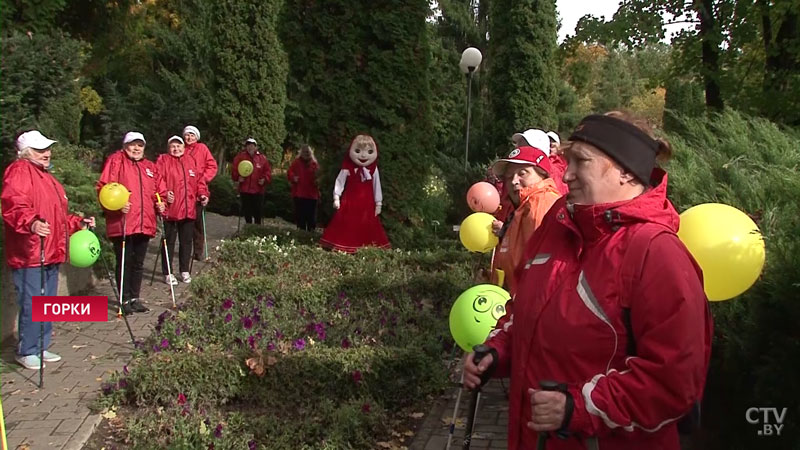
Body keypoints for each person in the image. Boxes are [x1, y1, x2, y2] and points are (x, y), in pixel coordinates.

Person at [463, 112, 713, 450]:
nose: (566, 174)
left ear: (626, 170)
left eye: (581, 162)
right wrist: (497, 351)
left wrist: (577, 407)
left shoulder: (657, 252)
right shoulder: (558, 222)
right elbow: (523, 309)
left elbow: (674, 381)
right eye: (568, 161)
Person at [2, 130, 95, 369]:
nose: (46, 153)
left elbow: (59, 218)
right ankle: (26, 350)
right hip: (30, 251)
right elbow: (14, 204)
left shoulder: (48, 177)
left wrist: (79, 223)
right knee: (33, 301)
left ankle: (41, 346)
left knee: (47, 301)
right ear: (26, 152)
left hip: (51, 249)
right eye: (40, 150)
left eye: (47, 149)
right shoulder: (19, 171)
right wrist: (31, 222)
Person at [97, 132, 165, 315]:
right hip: (124, 221)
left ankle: (135, 297)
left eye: (140, 145)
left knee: (138, 263)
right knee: (124, 261)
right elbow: (104, 188)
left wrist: (162, 203)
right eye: (132, 145)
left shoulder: (149, 167)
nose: (136, 149)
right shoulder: (116, 161)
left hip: (145, 221)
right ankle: (124, 298)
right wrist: (117, 207)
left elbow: (160, 190)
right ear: (125, 146)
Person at [488, 146, 561, 294]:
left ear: (543, 175)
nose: (514, 181)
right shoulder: (524, 206)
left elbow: (543, 271)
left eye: (523, 173)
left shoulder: (541, 204)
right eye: (509, 176)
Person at [319, 134, 390, 253]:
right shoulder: (347, 167)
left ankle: (365, 248)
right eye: (358, 151)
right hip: (349, 202)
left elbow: (376, 185)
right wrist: (336, 197)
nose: (363, 155)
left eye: (369, 151)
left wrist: (379, 203)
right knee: (346, 224)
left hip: (367, 204)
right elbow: (340, 181)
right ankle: (343, 246)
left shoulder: (373, 169)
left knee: (366, 226)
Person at [156, 136, 210, 285]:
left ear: (183, 147)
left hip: (189, 209)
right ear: (168, 148)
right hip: (171, 210)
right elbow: (158, 180)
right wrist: (165, 193)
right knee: (169, 242)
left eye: (179, 146)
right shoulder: (163, 160)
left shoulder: (190, 161)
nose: (176, 149)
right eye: (173, 146)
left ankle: (184, 270)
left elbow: (199, 181)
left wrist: (203, 194)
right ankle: (167, 272)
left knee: (186, 241)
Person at [183, 125, 218, 261]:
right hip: (184, 191)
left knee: (198, 223)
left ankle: (198, 251)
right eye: (187, 135)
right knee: (186, 223)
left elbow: (212, 166)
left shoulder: (202, 148)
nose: (189, 137)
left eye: (192, 135)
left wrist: (204, 178)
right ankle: (185, 250)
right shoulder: (181, 149)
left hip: (199, 189)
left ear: (196, 137)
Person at [231, 137, 271, 225]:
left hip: (258, 190)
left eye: (252, 145)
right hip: (245, 189)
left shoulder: (262, 158)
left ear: (256, 147)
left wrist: (264, 179)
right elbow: (234, 170)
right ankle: (248, 227)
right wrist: (238, 177)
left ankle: (257, 229)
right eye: (248, 145)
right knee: (247, 211)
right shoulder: (240, 157)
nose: (250, 147)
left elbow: (267, 171)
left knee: (258, 211)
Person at [287, 144, 320, 231]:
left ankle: (310, 233)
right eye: (304, 152)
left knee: (311, 218)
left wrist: (318, 181)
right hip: (299, 194)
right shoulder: (296, 162)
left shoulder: (314, 164)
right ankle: (301, 233)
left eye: (308, 153)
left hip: (311, 195)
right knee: (300, 217)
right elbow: (289, 172)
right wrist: (293, 177)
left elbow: (319, 176)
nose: (306, 154)